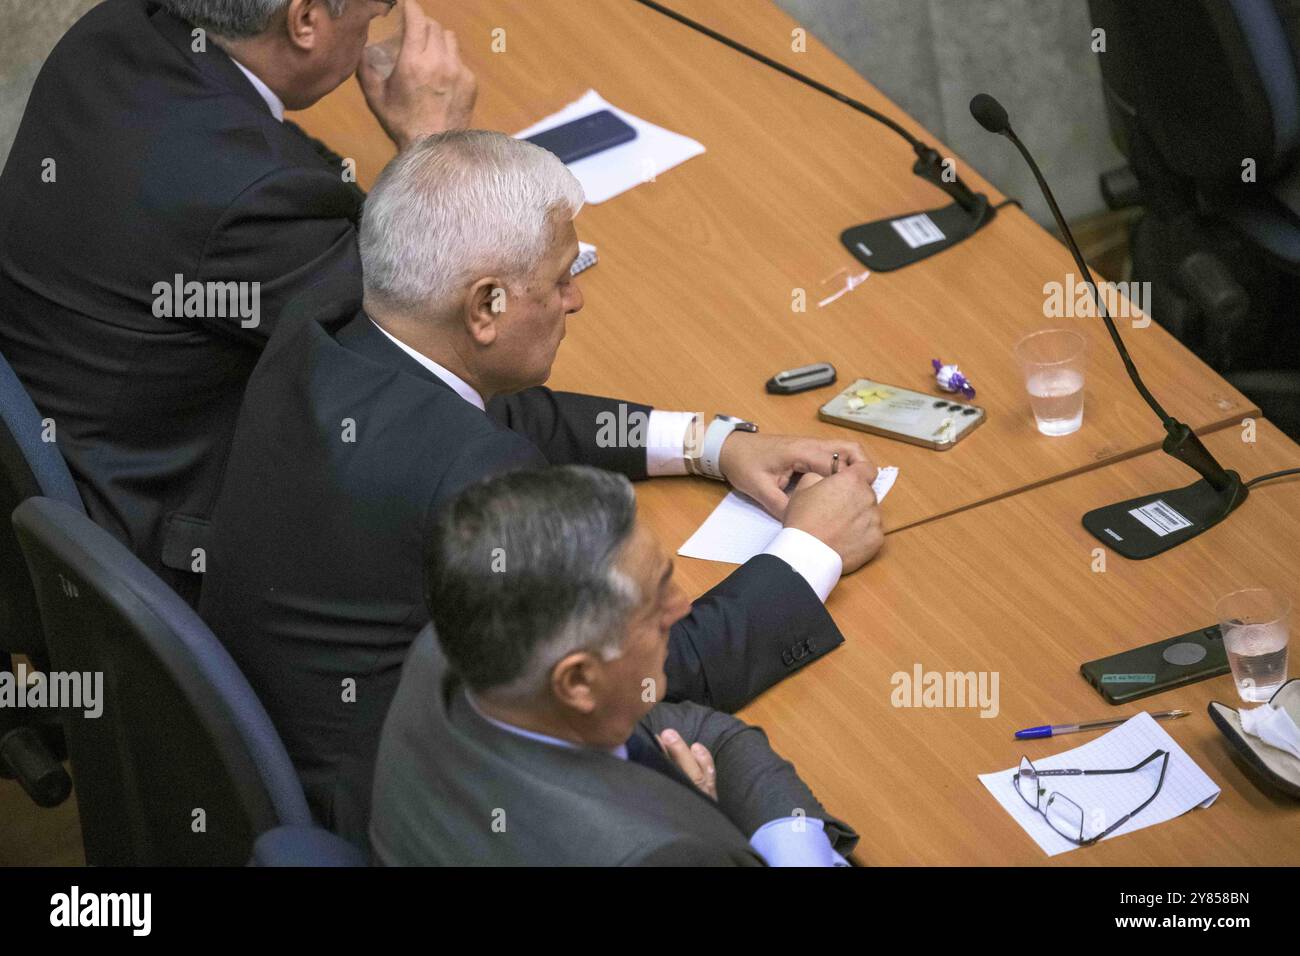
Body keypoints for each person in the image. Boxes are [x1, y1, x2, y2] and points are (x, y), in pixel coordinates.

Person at [199, 130, 884, 842]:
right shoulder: (471, 476)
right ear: (485, 306)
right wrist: (812, 549)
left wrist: (713, 444)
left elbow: (497, 404)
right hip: (397, 805)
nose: (577, 298)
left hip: (280, 729)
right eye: (561, 278)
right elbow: (627, 668)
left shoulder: (334, 318)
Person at [0, 0, 473, 601]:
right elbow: (423, 331)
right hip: (152, 541)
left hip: (67, 459)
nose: (385, 9)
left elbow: (287, 161)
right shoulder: (250, 198)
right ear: (304, 21)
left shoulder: (114, 31)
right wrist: (435, 145)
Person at [371, 465, 860, 866]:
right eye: (655, 601)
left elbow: (703, 729)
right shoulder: (660, 854)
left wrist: (790, 838)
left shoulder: (453, 654)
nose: (683, 606)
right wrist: (699, 816)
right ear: (579, 680)